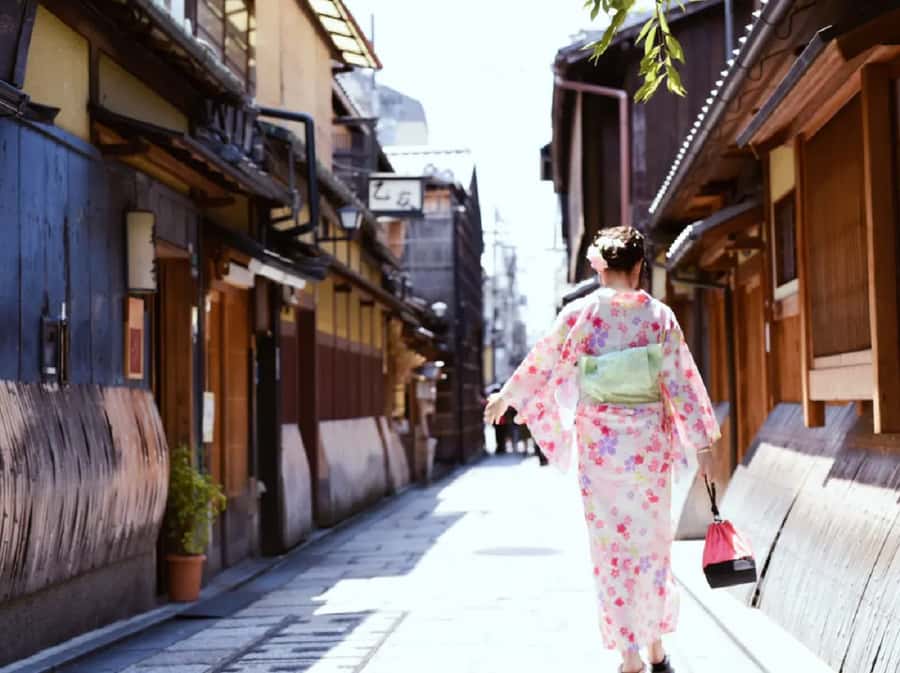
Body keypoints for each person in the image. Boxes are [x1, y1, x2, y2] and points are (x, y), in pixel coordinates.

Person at [484, 226, 719, 673]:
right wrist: (702, 444)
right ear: (637, 269)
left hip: (600, 452)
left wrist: (507, 397)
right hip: (648, 448)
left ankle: (630, 656)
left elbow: (543, 359)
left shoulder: (579, 314)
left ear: (600, 268)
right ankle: (654, 649)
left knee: (611, 551)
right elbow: (682, 382)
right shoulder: (659, 317)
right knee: (651, 547)